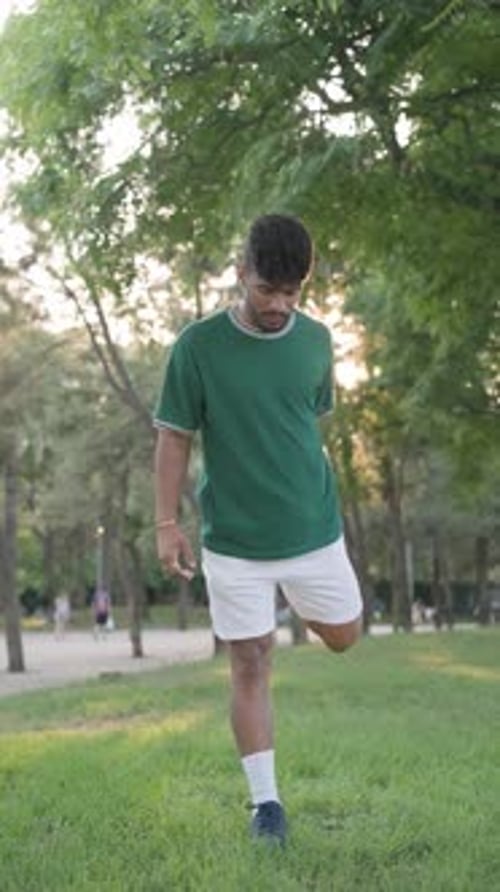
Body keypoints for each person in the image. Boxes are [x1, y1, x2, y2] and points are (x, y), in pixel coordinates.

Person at [154, 214, 362, 846]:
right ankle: (266, 805)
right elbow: (173, 438)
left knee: (345, 638)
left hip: (312, 530)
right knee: (250, 660)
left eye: (291, 291)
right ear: (241, 272)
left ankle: (300, 599)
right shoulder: (197, 346)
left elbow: (307, 419)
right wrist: (167, 522)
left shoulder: (317, 341)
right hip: (235, 541)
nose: (278, 304)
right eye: (268, 289)